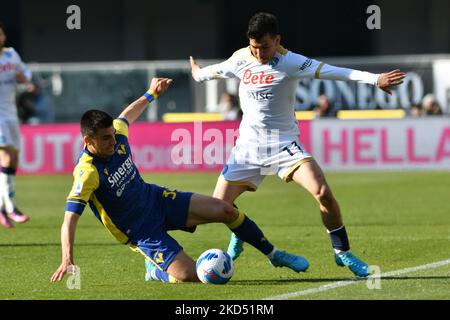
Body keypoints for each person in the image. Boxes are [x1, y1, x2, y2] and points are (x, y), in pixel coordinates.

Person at [190, 12, 406, 277]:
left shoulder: (292, 62)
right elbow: (211, 73)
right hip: (247, 148)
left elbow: (335, 72)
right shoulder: (240, 58)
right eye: (254, 47)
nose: (259, 54)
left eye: (265, 47)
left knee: (323, 192)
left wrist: (374, 79)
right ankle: (245, 237)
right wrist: (197, 72)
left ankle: (343, 253)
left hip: (284, 145)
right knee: (218, 208)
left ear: (277, 40)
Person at [50, 77, 310, 284]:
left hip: (156, 200)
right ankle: (156, 271)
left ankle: (274, 255)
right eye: (105, 138)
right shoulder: (87, 172)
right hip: (140, 231)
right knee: (192, 276)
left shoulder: (116, 134)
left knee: (226, 210)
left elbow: (127, 114)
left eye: (112, 135)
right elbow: (69, 218)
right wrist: (67, 258)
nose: (113, 141)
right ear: (88, 141)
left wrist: (151, 94)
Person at [0, 21, 31, 228]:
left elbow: (26, 74)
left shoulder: (11, 54)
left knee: (13, 161)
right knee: (7, 156)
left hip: (11, 114)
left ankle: (2, 208)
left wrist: (23, 78)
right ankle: (11, 207)